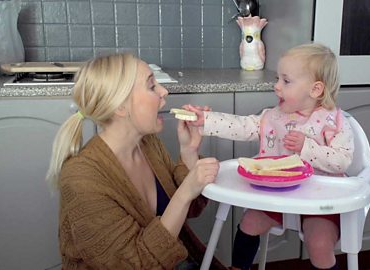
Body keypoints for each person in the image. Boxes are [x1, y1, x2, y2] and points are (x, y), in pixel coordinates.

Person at [45, 53, 226, 270]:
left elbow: (188, 209)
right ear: (120, 107)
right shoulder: (81, 178)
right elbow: (136, 264)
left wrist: (189, 151)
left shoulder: (148, 145)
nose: (164, 91)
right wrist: (185, 192)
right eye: (152, 86)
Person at [186, 43, 354, 270]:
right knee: (249, 222)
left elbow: (342, 160)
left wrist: (307, 147)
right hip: (277, 191)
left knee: (320, 244)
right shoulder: (273, 116)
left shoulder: (335, 122)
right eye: (278, 79)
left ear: (315, 90)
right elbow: (243, 126)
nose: (276, 87)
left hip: (319, 198)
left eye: (286, 81)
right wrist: (206, 121)